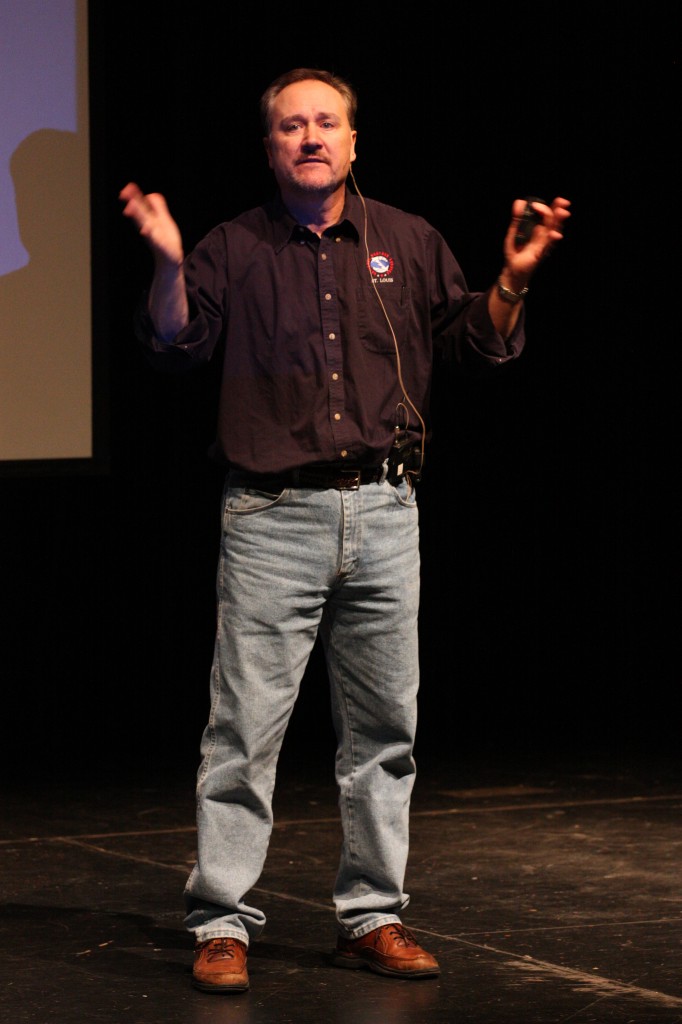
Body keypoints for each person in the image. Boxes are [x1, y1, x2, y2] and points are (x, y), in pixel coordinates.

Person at [120, 66, 570, 995]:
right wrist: (168, 265)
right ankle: (223, 922)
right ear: (271, 146)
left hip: (387, 509)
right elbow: (175, 342)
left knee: (383, 732)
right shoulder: (230, 247)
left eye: (328, 122)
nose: (312, 136)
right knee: (243, 732)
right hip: (271, 517)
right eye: (292, 125)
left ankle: (371, 915)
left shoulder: (406, 240)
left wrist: (512, 284)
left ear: (355, 141)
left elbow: (474, 344)